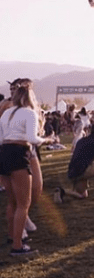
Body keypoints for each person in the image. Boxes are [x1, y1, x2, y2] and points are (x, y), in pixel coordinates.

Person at [0, 82, 52, 257]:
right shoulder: (29, 113)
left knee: (12, 201)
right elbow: (32, 138)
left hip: (3, 154)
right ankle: (17, 246)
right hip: (18, 154)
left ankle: (11, 236)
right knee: (24, 204)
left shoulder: (6, 113)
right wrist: (47, 140)